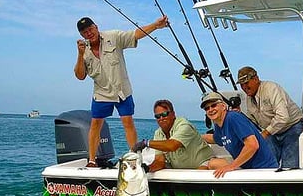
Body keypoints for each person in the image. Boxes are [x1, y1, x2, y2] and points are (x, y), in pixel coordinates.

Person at [74, 16, 168, 167]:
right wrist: (79, 54)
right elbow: (79, 76)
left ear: (96, 27)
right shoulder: (83, 51)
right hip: (102, 93)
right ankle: (92, 160)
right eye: (85, 32)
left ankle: (134, 156)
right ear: (81, 35)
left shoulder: (113, 36)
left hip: (121, 90)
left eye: (90, 29)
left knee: (128, 122)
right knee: (95, 124)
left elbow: (135, 34)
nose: (89, 33)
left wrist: (156, 25)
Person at [237, 66, 303, 168]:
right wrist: (239, 116)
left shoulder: (271, 88)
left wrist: (266, 132)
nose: (244, 87)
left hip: (292, 127)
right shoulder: (249, 98)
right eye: (242, 85)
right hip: (272, 132)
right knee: (267, 164)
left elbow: (283, 117)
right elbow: (252, 121)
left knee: (289, 167)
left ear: (256, 79)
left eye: (246, 83)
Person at [201, 92, 278, 178]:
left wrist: (231, 166)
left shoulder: (233, 118)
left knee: (216, 164)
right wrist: (196, 137)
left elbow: (252, 145)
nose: (210, 110)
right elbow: (216, 139)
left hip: (262, 170)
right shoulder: (218, 124)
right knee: (213, 163)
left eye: (214, 105)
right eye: (207, 108)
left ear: (223, 106)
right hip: (245, 169)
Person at [132, 99, 215, 171]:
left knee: (197, 176)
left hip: (204, 164)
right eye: (157, 116)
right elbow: (160, 160)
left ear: (173, 114)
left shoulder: (184, 125)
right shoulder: (158, 133)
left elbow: (172, 145)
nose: (161, 118)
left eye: (164, 114)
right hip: (180, 170)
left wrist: (146, 143)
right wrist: (147, 169)